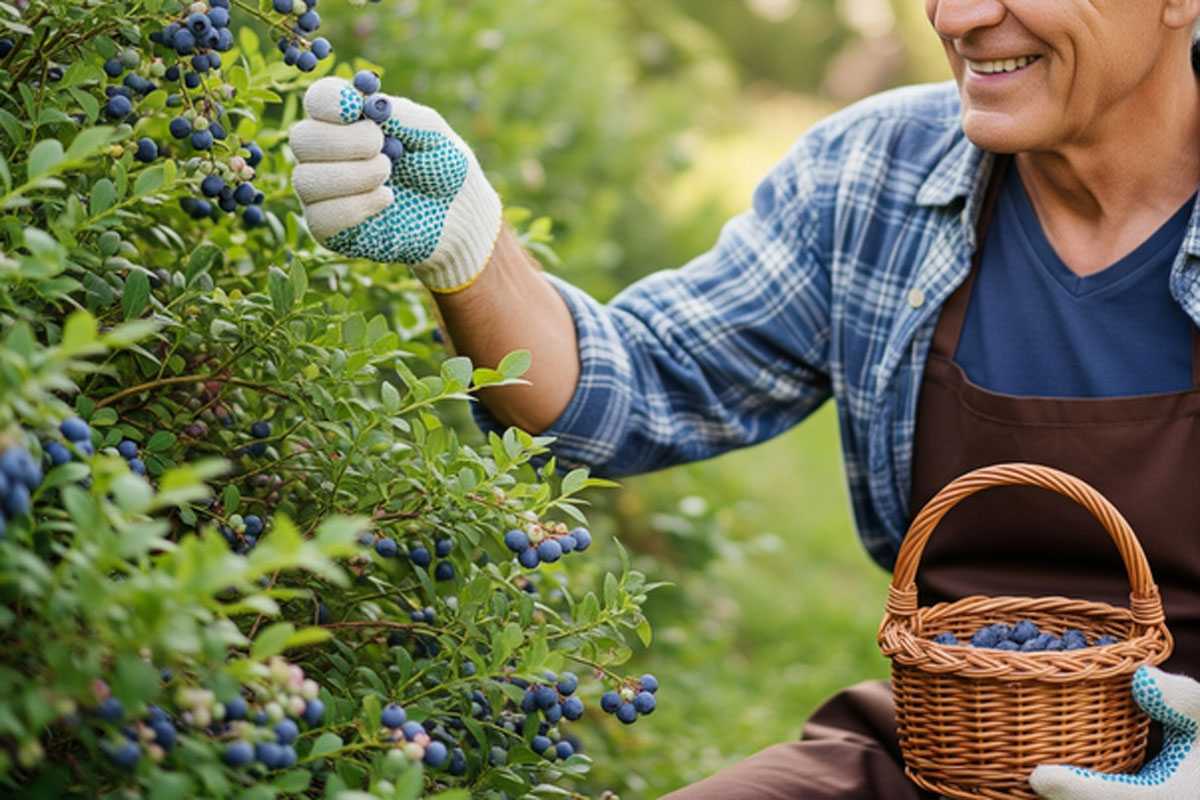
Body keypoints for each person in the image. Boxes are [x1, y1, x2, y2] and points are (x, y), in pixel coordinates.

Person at [288, 1, 1200, 796]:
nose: (957, 17)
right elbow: (629, 386)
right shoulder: (872, 172)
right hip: (944, 750)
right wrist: (470, 247)